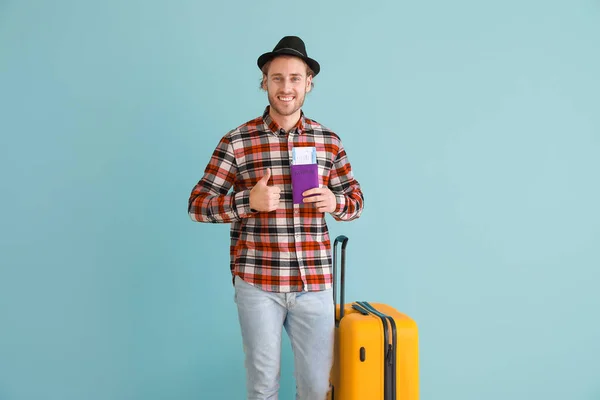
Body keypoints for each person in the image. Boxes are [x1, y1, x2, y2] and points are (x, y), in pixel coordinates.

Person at [188, 35, 364, 400]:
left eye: (295, 78)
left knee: (317, 389)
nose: (286, 87)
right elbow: (197, 204)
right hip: (258, 282)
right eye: (278, 78)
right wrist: (245, 201)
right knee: (262, 388)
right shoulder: (237, 141)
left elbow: (356, 201)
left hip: (313, 282)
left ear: (308, 83)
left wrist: (334, 201)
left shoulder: (328, 141)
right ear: (265, 82)